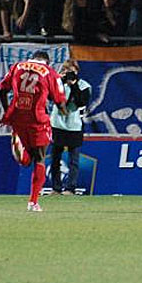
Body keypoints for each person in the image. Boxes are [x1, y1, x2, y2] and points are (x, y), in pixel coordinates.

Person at [0, 50, 67, 212]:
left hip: (17, 117)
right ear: (47, 62)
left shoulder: (17, 66)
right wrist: (64, 110)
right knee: (40, 159)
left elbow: (2, 90)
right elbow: (59, 101)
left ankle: (21, 149)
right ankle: (33, 202)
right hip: (37, 119)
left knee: (28, 160)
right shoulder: (50, 73)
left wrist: (7, 112)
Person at [49, 60, 91, 195]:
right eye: (67, 70)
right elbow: (51, 97)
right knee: (55, 157)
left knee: (74, 159)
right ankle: (56, 188)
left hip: (74, 126)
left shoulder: (84, 86)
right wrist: (60, 81)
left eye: (72, 71)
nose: (69, 74)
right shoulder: (58, 84)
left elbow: (81, 102)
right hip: (57, 124)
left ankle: (70, 188)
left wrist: (73, 86)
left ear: (77, 71)